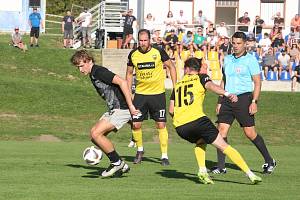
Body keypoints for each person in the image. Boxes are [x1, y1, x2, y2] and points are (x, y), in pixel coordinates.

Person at [169, 57, 262, 184]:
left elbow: (171, 110)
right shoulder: (201, 77)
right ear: (197, 69)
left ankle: (202, 171)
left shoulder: (177, 85)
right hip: (198, 121)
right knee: (224, 146)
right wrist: (227, 94)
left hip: (180, 127)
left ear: (186, 69)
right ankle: (250, 174)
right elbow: (212, 86)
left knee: (200, 142)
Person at [211, 32, 276, 174]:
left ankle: (269, 160)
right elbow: (224, 80)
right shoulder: (227, 59)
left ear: (245, 44)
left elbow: (258, 83)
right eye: (233, 43)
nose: (235, 46)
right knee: (221, 132)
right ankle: (221, 166)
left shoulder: (250, 60)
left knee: (250, 133)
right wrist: (220, 100)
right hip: (227, 99)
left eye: (238, 43)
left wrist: (254, 101)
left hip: (244, 99)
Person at [70, 50, 139, 177]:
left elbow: (123, 82)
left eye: (81, 66)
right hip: (114, 109)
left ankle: (116, 162)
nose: (80, 70)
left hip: (122, 108)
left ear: (89, 61)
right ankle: (121, 164)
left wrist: (130, 106)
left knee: (96, 134)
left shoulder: (98, 71)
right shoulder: (92, 74)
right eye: (77, 67)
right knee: (94, 136)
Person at [126, 29, 177, 166]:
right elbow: (129, 74)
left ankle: (164, 156)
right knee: (136, 124)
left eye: (145, 40)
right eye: (140, 40)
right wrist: (129, 92)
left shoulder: (158, 51)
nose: (142, 43)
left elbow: (171, 67)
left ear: (150, 40)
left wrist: (175, 87)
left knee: (160, 124)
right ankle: (140, 150)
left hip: (157, 94)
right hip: (140, 95)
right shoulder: (133, 54)